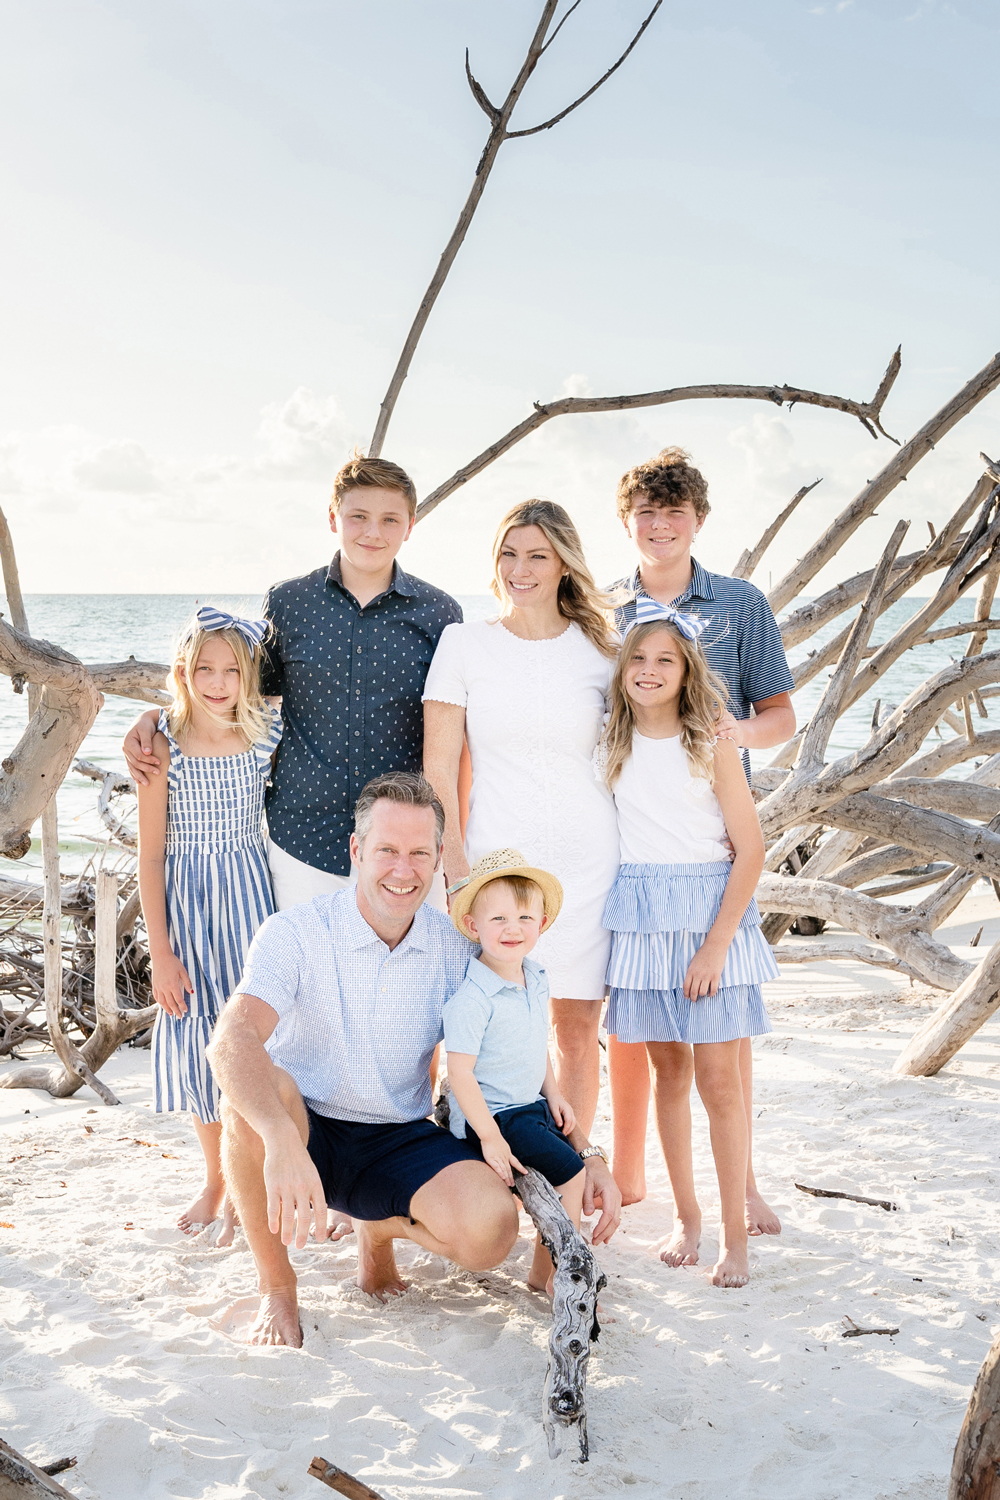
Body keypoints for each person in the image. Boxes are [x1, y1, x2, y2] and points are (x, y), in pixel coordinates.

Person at [205, 773, 622, 1347]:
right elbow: (231, 1038)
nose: (404, 870)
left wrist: (588, 1152)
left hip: (400, 1133)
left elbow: (518, 1048)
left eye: (420, 853)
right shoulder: (294, 933)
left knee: (490, 1232)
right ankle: (277, 1287)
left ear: (437, 860)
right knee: (250, 1097)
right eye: (388, 851)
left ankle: (375, 1232)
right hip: (307, 1127)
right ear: (356, 850)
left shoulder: (457, 947)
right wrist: (279, 1138)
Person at [122, 453, 462, 908]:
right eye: (358, 516)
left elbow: (456, 739)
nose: (372, 532)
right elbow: (237, 699)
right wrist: (156, 718)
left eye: (389, 519)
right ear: (333, 517)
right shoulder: (289, 602)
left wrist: (452, 851)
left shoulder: (440, 614)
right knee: (306, 980)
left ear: (410, 525)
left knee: (405, 979)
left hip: (403, 849)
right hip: (302, 841)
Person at [607, 448, 795, 1228]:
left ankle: (741, 1185)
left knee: (726, 1041)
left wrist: (725, 730)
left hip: (715, 828)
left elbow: (780, 716)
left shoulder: (740, 603)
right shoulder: (606, 610)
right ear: (628, 522)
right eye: (645, 513)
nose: (659, 527)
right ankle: (639, 1179)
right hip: (636, 845)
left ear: (699, 521)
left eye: (673, 513)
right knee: (649, 1039)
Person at [422, 500, 620, 1137]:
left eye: (537, 554)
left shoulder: (603, 651)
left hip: (587, 860)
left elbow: (643, 751)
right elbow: (439, 769)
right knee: (461, 1020)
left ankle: (576, 1168)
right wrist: (455, 872)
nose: (520, 568)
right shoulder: (464, 643)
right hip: (492, 864)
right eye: (509, 553)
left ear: (564, 563)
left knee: (575, 1026)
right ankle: (442, 1153)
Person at [597, 603, 778, 1286]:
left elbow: (752, 849)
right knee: (667, 1075)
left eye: (664, 660)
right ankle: (688, 1217)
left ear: (686, 669)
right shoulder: (610, 745)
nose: (649, 671)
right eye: (637, 659)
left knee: (720, 1081)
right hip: (642, 916)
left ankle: (736, 1237)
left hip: (709, 916)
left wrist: (715, 947)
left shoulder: (711, 742)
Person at [136, 606, 282, 1243]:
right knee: (199, 1043)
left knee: (249, 1041)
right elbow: (150, 856)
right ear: (183, 671)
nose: (218, 681)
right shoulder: (162, 747)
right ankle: (216, 1179)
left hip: (251, 901)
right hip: (189, 909)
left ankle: (253, 1171)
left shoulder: (264, 736)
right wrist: (161, 951)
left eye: (232, 669)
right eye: (204, 668)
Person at [444, 848, 590, 1298]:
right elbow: (460, 1074)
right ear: (473, 926)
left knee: (572, 1157)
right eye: (500, 919)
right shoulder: (474, 996)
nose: (514, 929)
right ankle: (554, 1273)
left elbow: (535, 1042)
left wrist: (555, 1093)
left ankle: (538, 1273)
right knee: (571, 1173)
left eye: (526, 917)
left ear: (542, 923)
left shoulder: (536, 975)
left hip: (530, 1104)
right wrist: (488, 1136)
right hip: (493, 1115)